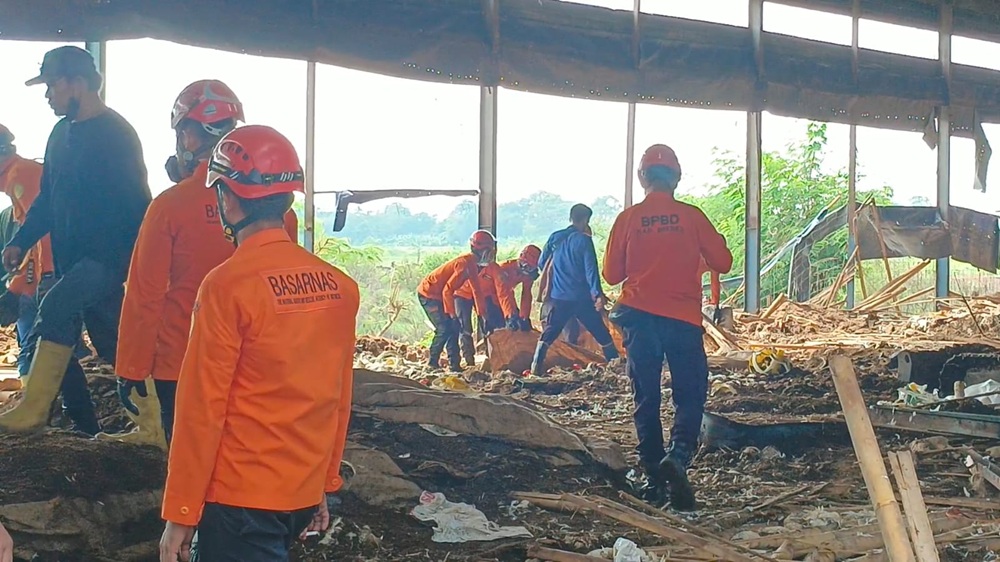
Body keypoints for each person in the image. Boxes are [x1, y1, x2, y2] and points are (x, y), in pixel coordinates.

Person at [159, 125, 359, 561]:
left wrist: (182, 513)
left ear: (226, 198)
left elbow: (200, 409)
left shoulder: (226, 287)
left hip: (239, 500)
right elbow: (337, 399)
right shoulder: (340, 287)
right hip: (299, 495)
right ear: (288, 198)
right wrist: (322, 483)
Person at [106, 80, 302, 448]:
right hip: (256, 365)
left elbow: (145, 295)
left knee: (189, 461)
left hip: (181, 364)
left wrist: (131, 367)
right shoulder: (277, 214)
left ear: (189, 136)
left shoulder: (169, 207)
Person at [0, 46, 151, 435]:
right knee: (111, 342)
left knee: (54, 309)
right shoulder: (58, 135)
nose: (48, 95)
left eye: (52, 85)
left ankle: (33, 408)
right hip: (72, 259)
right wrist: (21, 239)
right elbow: (48, 198)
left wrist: (134, 263)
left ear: (78, 83)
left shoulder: (116, 135)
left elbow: (139, 203)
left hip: (107, 258)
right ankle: (146, 423)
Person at [603, 144, 732, 511]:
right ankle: (678, 454)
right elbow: (723, 261)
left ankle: (653, 479)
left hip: (640, 318)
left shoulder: (627, 219)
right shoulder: (692, 216)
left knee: (646, 396)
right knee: (690, 394)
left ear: (642, 178)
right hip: (682, 320)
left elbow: (612, 274)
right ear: (676, 177)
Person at [532, 205, 619, 376]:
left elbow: (542, 263)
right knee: (601, 332)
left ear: (571, 218)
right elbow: (590, 270)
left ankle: (535, 366)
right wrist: (597, 294)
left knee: (550, 331)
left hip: (559, 297)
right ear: (586, 219)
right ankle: (616, 367)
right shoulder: (584, 240)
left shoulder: (555, 238)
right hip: (581, 298)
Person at [0, 125, 52, 380]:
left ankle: (33, 407)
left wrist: (26, 287)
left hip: (50, 277)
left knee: (34, 350)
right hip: (44, 276)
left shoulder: (21, 176)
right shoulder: (18, 177)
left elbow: (44, 235)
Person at [417, 230, 493, 372]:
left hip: (440, 295)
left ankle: (455, 365)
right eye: (488, 250)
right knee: (444, 328)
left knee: (453, 329)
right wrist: (452, 314)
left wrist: (483, 315)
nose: (491, 254)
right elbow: (448, 290)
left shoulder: (472, 265)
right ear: (479, 250)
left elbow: (476, 291)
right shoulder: (464, 264)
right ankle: (432, 362)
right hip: (428, 294)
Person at [453, 252, 514, 367]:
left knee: (489, 326)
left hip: (483, 295)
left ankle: (492, 358)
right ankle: (469, 360)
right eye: (485, 251)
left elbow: (503, 293)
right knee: (464, 327)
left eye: (489, 250)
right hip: (461, 294)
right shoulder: (463, 263)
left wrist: (509, 314)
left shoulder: (494, 268)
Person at [497, 244, 541, 331]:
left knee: (518, 324)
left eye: (532, 268)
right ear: (522, 262)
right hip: (491, 295)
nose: (529, 270)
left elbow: (526, 295)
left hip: (506, 295)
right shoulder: (504, 269)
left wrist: (524, 317)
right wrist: (510, 315)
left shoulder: (528, 275)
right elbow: (504, 293)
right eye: (528, 267)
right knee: (498, 324)